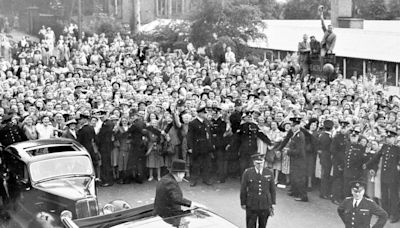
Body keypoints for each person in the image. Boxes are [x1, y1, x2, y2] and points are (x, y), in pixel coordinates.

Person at [365, 129, 400, 223]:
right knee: (384, 195)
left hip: (393, 177)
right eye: (388, 138)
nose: (389, 139)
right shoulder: (384, 147)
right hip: (384, 175)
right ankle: (385, 213)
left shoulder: (397, 149)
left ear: (395, 138)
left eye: (391, 137)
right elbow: (376, 157)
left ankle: (395, 215)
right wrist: (367, 164)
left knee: (393, 196)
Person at [240, 153, 276, 228]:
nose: (259, 165)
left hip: (265, 204)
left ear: (264, 162)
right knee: (250, 225)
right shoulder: (248, 173)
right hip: (251, 203)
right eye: (257, 163)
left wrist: (272, 203)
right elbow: (243, 189)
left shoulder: (269, 172)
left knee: (263, 225)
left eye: (261, 163)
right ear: (254, 163)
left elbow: (272, 189)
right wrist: (243, 202)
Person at [187, 106, 213, 186]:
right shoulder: (193, 123)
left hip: (206, 146)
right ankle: (194, 180)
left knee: (207, 164)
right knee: (196, 164)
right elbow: (190, 136)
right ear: (200, 113)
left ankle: (206, 179)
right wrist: (190, 147)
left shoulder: (206, 122)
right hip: (197, 146)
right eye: (204, 113)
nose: (205, 114)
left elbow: (209, 134)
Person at [318, 120, 333, 199]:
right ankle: (324, 192)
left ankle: (323, 191)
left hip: (323, 156)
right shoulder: (329, 137)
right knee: (326, 175)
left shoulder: (322, 135)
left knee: (324, 174)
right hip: (327, 157)